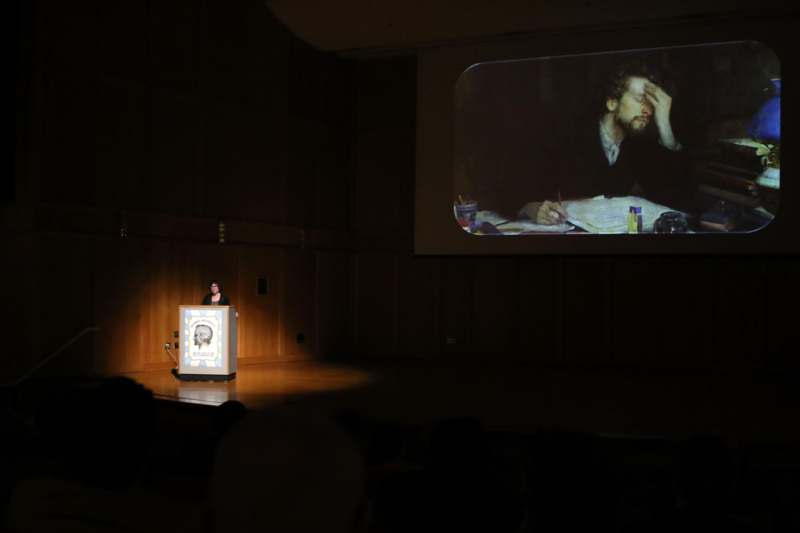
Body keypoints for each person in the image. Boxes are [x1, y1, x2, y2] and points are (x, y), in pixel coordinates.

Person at [520, 59, 691, 225]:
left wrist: (665, 126)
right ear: (611, 103)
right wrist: (532, 208)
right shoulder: (568, 135)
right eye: (640, 100)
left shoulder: (639, 146)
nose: (648, 110)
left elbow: (677, 200)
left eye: (651, 103)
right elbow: (516, 189)